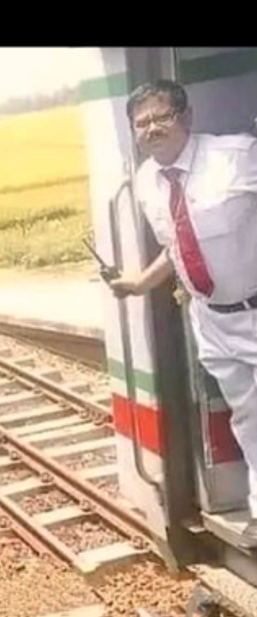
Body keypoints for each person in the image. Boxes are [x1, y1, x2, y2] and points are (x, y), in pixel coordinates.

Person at [108, 79, 257, 543]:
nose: (153, 128)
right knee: (248, 418)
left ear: (186, 118)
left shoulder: (236, 156)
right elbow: (178, 245)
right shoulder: (149, 182)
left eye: (162, 117)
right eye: (142, 123)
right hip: (212, 319)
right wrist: (139, 283)